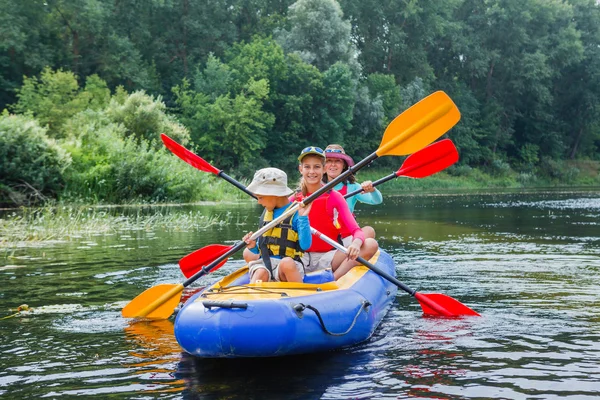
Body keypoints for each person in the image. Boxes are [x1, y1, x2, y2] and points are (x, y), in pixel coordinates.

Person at [296, 146, 378, 280]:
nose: (312, 171)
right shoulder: (294, 199)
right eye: (307, 167)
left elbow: (356, 230)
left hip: (328, 257)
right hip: (299, 257)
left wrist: (356, 244)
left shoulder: (335, 196)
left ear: (323, 169)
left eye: (316, 167)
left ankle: (334, 278)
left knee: (370, 244)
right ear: (301, 169)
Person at [242, 168, 312, 283]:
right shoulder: (267, 212)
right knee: (260, 271)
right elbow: (261, 248)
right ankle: (251, 297)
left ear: (274, 194)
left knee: (287, 263)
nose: (259, 202)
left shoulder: (296, 213)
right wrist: (253, 246)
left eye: (260, 197)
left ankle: (297, 296)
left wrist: (303, 218)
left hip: (288, 267)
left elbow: (305, 245)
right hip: (267, 264)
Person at [323, 144, 382, 241]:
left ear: (344, 165)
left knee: (369, 231)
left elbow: (377, 200)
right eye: (328, 161)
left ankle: (353, 248)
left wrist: (372, 190)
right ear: (323, 166)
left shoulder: (352, 187)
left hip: (347, 237)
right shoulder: (316, 187)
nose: (333, 165)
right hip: (324, 237)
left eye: (337, 161)